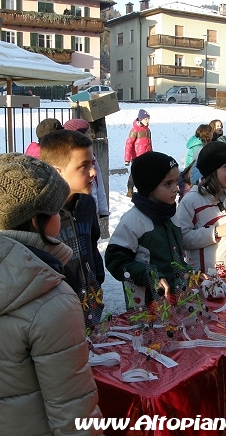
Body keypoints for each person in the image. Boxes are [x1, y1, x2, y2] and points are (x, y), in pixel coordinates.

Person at [0, 153, 111, 436]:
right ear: (37, 219)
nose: (62, 217)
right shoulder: (50, 301)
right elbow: (73, 412)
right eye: (57, 211)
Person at [39, 129, 105, 331]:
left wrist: (97, 279)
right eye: (83, 166)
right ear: (57, 171)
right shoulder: (41, 215)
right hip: (58, 311)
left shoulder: (87, 203)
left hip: (90, 299)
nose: (93, 172)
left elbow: (92, 244)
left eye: (92, 163)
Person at [105, 151, 185, 307]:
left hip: (176, 299)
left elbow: (176, 257)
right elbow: (115, 260)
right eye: (168, 184)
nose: (176, 188)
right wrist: (148, 275)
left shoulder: (171, 215)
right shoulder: (133, 221)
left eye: (176, 181)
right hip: (146, 305)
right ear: (150, 187)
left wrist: (188, 272)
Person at [177, 141, 226, 273]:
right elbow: (182, 238)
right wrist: (216, 232)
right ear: (211, 171)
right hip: (205, 276)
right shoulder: (191, 200)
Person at [63, 118, 109, 218]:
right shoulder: (66, 160)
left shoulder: (92, 157)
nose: (91, 136)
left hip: (92, 209)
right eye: (88, 133)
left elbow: (99, 184)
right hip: (78, 210)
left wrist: (103, 210)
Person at [124, 109, 153, 197]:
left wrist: (151, 153)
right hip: (137, 156)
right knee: (134, 173)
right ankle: (130, 188)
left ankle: (145, 189)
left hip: (147, 155)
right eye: (145, 119)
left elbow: (149, 143)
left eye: (148, 119)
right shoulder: (134, 130)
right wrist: (127, 158)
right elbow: (128, 144)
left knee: (147, 173)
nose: (147, 121)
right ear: (140, 119)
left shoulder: (147, 130)